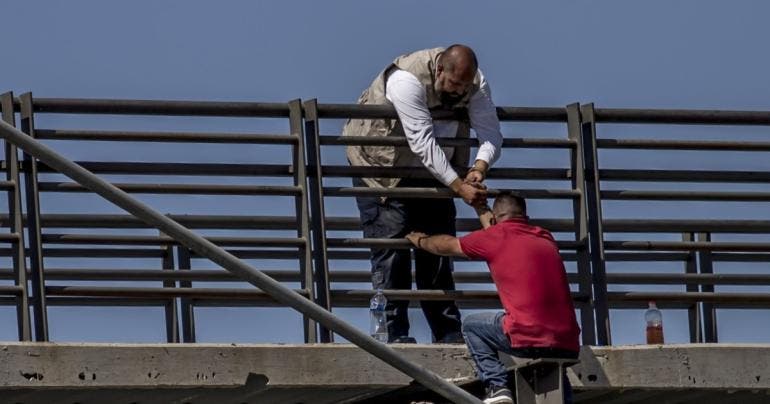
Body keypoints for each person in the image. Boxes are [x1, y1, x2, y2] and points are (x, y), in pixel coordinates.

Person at [342, 44, 503, 344]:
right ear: (440, 70)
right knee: (391, 254)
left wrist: (479, 167)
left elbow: (491, 133)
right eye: (454, 84)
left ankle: (447, 333)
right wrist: (460, 187)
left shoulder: (476, 84)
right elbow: (422, 142)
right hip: (382, 171)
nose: (458, 92)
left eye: (463, 87)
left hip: (438, 175)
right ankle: (394, 335)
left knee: (439, 253)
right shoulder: (406, 80)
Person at [406, 192, 580, 404]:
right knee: (555, 371)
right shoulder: (544, 236)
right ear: (525, 215)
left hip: (527, 336)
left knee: (471, 326)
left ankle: (497, 387)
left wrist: (421, 240)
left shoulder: (495, 237)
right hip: (568, 342)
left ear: (496, 218)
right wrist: (481, 208)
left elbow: (446, 245)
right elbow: (499, 231)